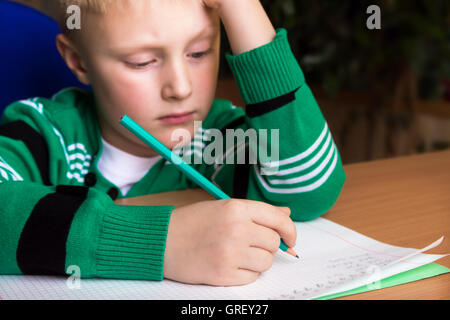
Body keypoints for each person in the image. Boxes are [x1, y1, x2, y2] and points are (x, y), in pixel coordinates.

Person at [0, 0, 346, 286]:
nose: (180, 88)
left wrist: (242, 8)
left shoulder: (214, 138)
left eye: (198, 52)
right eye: (143, 62)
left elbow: (310, 188)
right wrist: (161, 242)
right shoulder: (46, 132)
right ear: (77, 60)